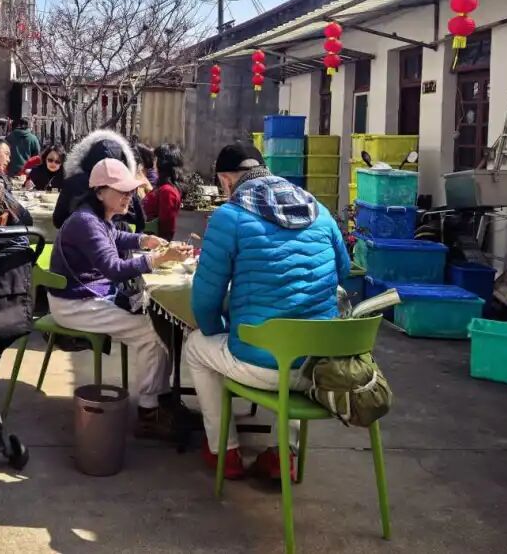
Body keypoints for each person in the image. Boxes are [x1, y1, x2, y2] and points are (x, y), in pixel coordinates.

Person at [184, 141, 347, 481]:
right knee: (299, 331)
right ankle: (283, 454)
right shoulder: (317, 208)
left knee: (197, 346)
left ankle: (224, 451)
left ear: (226, 180)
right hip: (322, 365)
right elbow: (343, 271)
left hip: (264, 365)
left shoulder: (229, 216)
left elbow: (205, 302)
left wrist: (219, 331)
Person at [50, 158, 191, 436]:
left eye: (131, 191)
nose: (129, 196)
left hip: (90, 297)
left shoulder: (96, 217)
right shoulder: (86, 222)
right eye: (123, 191)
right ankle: (149, 413)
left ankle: (162, 398)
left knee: (161, 321)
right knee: (151, 333)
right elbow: (114, 269)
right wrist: (158, 258)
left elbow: (115, 236)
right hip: (75, 304)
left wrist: (144, 240)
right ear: (100, 192)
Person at [54, 130, 146, 232]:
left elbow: (58, 220)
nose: (127, 196)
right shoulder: (125, 185)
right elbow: (140, 223)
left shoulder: (74, 182)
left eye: (128, 191)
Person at [142, 144, 185, 241]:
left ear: (162, 162)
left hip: (153, 243)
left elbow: (167, 226)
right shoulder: (163, 187)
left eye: (155, 158)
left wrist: (162, 246)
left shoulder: (167, 191)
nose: (153, 161)